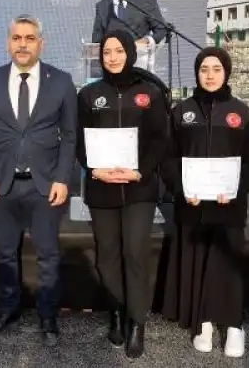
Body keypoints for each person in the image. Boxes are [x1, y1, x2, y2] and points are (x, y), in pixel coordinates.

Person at [0, 14, 77, 347]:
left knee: (48, 253)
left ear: (41, 43)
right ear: (8, 42)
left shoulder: (61, 81)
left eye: (30, 38)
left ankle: (47, 315)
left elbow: (71, 137)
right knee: (5, 253)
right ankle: (8, 308)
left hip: (45, 185)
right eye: (17, 38)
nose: (22, 44)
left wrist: (63, 178)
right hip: (2, 185)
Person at [158, 47, 249, 358]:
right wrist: (180, 187)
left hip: (228, 205)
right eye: (204, 69)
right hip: (190, 204)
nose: (210, 75)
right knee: (196, 261)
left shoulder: (242, 113)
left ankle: (233, 326)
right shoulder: (181, 112)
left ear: (226, 72)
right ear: (197, 73)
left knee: (226, 265)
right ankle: (202, 321)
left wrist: (235, 189)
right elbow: (167, 157)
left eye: (216, 69)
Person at [75, 30, 170, 358]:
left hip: (139, 188)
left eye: (118, 51)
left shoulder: (150, 93)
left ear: (130, 53)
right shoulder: (89, 95)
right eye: (107, 52)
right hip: (102, 188)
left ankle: (136, 322)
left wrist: (140, 170)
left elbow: (161, 139)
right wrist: (93, 168)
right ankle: (115, 312)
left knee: (135, 252)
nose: (112, 57)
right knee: (108, 255)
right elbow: (79, 141)